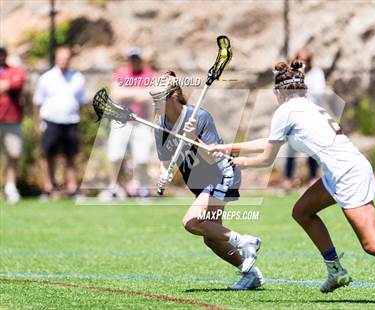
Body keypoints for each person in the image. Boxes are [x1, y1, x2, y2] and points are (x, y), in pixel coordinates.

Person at [210, 60, 375, 294]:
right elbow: (272, 141)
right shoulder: (308, 107)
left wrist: (242, 162)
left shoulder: (285, 111)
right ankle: (335, 271)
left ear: (279, 91)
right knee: (302, 211)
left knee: (373, 243)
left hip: (347, 174)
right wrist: (230, 147)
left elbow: (267, 158)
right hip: (342, 171)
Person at [151, 70, 264, 290]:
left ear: (174, 96)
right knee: (211, 238)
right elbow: (166, 161)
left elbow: (213, 156)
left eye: (159, 98)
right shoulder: (160, 125)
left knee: (191, 222)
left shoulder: (198, 117)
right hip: (201, 184)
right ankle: (251, 274)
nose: (154, 103)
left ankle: (245, 241)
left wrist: (194, 138)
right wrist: (163, 175)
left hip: (221, 174)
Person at [99, 47, 155, 200]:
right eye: (132, 58)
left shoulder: (149, 74)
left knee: (142, 158)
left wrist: (129, 94)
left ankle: (141, 188)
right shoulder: (121, 73)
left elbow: (150, 97)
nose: (134, 61)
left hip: (142, 121)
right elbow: (116, 95)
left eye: (137, 58)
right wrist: (138, 93)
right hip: (121, 121)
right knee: (115, 156)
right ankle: (114, 188)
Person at [33, 46, 87, 197]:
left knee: (70, 155)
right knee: (48, 154)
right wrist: (40, 121)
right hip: (51, 121)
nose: (64, 61)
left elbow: (82, 102)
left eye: (66, 58)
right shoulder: (46, 78)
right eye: (61, 58)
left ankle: (72, 187)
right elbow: (38, 101)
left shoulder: (77, 78)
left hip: (70, 121)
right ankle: (48, 187)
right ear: (56, 58)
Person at [282, 48, 325, 192]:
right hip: (295, 116)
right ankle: (287, 180)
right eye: (300, 60)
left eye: (306, 60)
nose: (303, 63)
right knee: (291, 149)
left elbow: (318, 93)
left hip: (311, 116)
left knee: (312, 148)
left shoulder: (316, 74)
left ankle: (313, 179)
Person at [0, 44, 26, 204]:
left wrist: (5, 84)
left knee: (13, 154)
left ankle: (10, 187)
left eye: (2, 53)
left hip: (11, 120)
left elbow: (17, 83)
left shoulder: (15, 71)